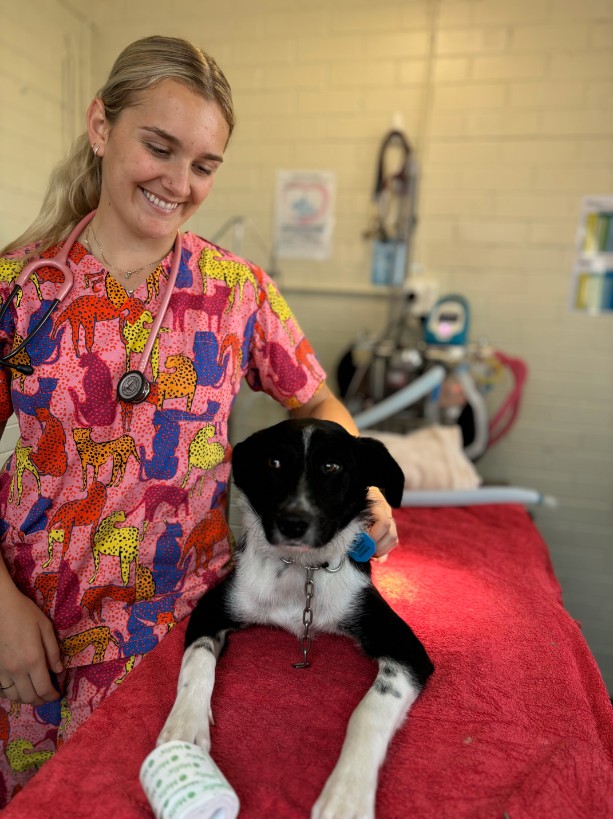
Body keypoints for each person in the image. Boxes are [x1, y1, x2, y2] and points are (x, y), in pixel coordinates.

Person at [0, 35, 398, 806]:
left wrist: (346, 475)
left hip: (181, 636)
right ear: (99, 127)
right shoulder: (20, 286)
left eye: (205, 165)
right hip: (31, 630)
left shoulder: (235, 290)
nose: (179, 183)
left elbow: (314, 401)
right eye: (160, 147)